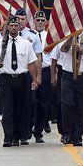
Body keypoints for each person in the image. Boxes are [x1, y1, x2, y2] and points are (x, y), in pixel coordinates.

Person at [0, 15, 39, 147]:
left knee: (20, 109)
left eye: (15, 25)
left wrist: (34, 80)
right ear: (7, 27)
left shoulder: (26, 44)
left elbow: (31, 63)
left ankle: (18, 136)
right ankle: (8, 137)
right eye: (10, 26)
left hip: (22, 78)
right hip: (5, 78)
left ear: (19, 27)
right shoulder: (0, 43)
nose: (13, 28)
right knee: (7, 109)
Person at [52, 28, 83, 146]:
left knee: (81, 107)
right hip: (68, 76)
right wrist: (70, 39)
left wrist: (81, 50)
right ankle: (67, 133)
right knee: (66, 105)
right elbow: (63, 49)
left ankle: (77, 136)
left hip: (82, 77)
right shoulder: (66, 37)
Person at [18, 10, 43, 142]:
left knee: (30, 104)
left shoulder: (32, 36)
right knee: (17, 104)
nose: (20, 21)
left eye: (23, 19)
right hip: (15, 73)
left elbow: (38, 57)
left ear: (26, 20)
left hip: (29, 74)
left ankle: (26, 132)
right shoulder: (10, 35)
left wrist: (38, 77)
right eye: (18, 19)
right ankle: (16, 132)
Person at [33, 11, 53, 143]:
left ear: (46, 22)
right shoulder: (28, 35)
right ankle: (29, 128)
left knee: (44, 103)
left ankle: (39, 131)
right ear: (34, 21)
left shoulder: (50, 37)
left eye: (42, 20)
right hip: (31, 72)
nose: (40, 22)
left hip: (46, 71)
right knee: (31, 102)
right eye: (38, 20)